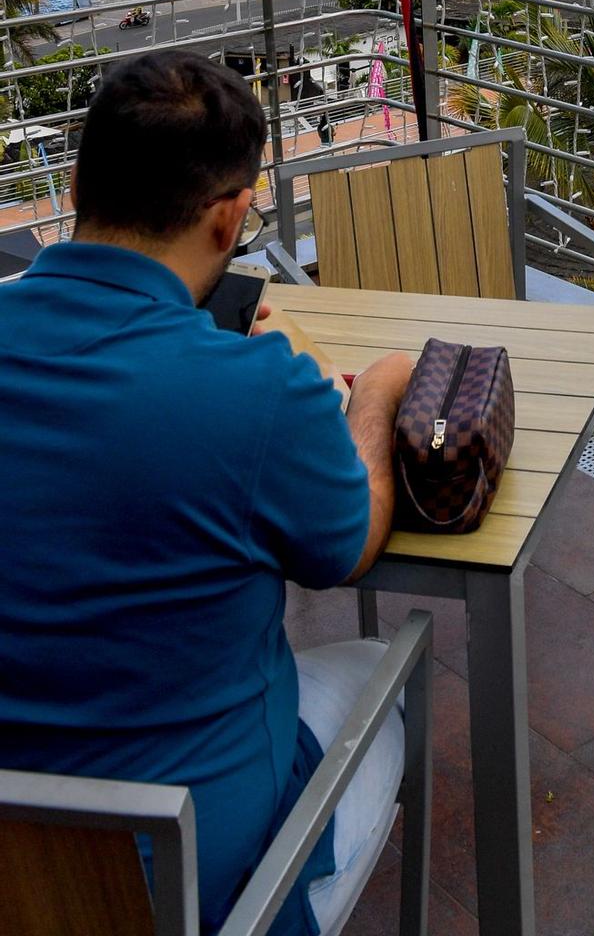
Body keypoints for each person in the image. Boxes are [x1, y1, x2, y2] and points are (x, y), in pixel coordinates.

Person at [0, 51, 414, 935]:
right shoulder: (256, 391)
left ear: (77, 184)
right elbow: (348, 547)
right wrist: (373, 393)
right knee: (387, 676)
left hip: (15, 877)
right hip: (185, 890)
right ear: (228, 223)